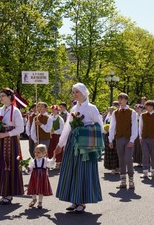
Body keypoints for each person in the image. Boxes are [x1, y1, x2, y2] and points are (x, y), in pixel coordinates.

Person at [54, 83, 104, 213]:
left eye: (77, 92)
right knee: (71, 170)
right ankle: (74, 200)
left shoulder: (92, 108)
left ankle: (82, 201)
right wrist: (60, 144)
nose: (74, 94)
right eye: (73, 92)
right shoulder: (74, 108)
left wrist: (84, 129)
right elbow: (67, 127)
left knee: (84, 171)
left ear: (83, 93)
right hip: (73, 143)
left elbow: (100, 126)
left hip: (86, 144)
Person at [0, 88, 25, 205]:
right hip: (0, 141)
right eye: (0, 96)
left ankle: (9, 194)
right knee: (0, 165)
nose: (1, 98)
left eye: (3, 96)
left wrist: (6, 134)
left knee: (10, 165)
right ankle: (2, 191)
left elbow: (20, 128)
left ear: (10, 97)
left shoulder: (15, 111)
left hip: (10, 142)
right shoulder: (0, 110)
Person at [109, 93, 138, 189]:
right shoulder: (115, 113)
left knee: (128, 159)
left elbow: (134, 126)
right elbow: (112, 126)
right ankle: (123, 181)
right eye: (119, 99)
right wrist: (110, 139)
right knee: (121, 159)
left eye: (122, 99)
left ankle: (131, 180)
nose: (120, 101)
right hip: (119, 138)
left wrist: (132, 139)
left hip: (129, 138)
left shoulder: (132, 112)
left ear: (126, 100)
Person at [27, 144, 56, 209]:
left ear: (44, 153)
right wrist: (28, 168)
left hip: (42, 177)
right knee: (33, 188)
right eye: (35, 152)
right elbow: (30, 169)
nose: (36, 153)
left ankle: (40, 202)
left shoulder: (45, 160)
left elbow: (50, 164)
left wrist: (54, 157)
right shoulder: (33, 161)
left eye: (38, 152)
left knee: (41, 189)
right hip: (34, 177)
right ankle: (34, 199)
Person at [138, 100, 154, 178]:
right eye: (146, 106)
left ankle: (153, 170)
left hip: (153, 138)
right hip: (144, 137)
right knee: (145, 154)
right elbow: (140, 127)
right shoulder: (142, 115)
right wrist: (140, 137)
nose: (147, 107)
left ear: (152, 107)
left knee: (152, 155)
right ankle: (145, 171)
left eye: (149, 106)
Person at [103, 106, 119, 174]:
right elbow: (104, 125)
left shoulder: (116, 117)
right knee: (109, 151)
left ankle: (116, 167)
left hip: (115, 135)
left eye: (112, 110)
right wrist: (105, 130)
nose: (110, 111)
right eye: (110, 110)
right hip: (107, 135)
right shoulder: (107, 117)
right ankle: (111, 167)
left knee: (115, 152)